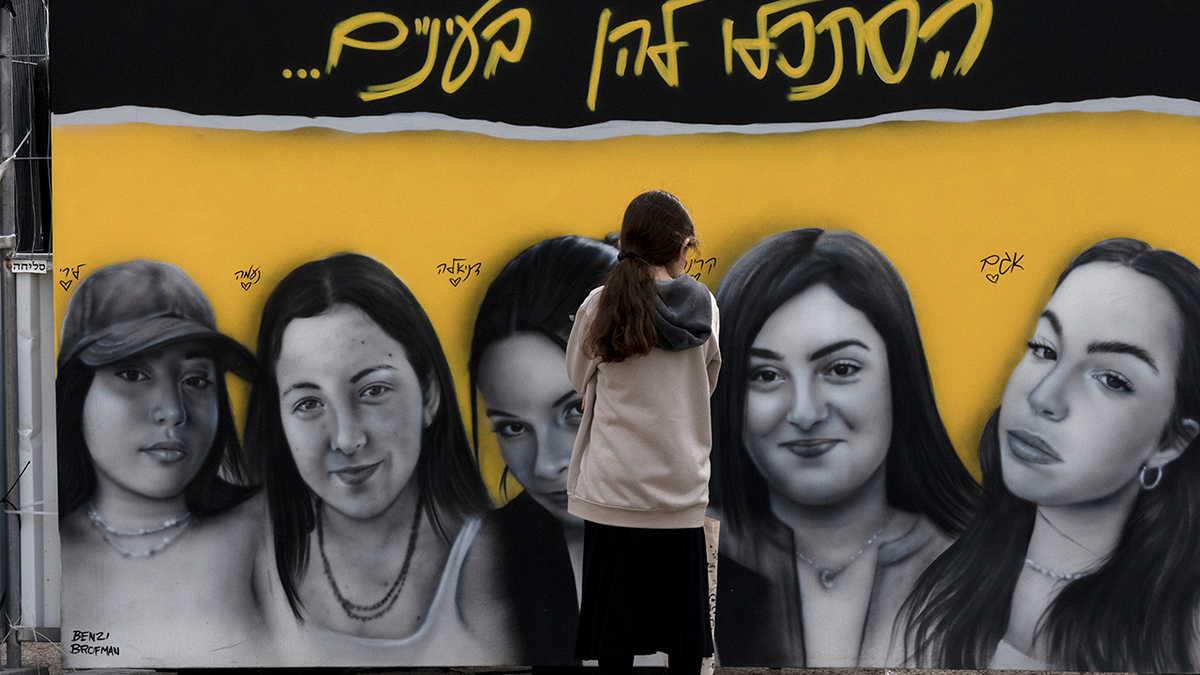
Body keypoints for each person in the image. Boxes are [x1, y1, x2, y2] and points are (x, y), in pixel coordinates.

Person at [903, 238, 1200, 672]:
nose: (1044, 397)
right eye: (1044, 350)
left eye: (1112, 380)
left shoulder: (1185, 635)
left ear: (1170, 443)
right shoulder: (929, 563)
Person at [708, 229, 980, 667]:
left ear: (900, 378)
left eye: (840, 368)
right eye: (765, 375)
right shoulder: (679, 557)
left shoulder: (984, 563)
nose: (805, 412)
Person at [243, 252, 504, 665]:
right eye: (309, 403)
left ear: (429, 395)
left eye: (373, 391)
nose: (346, 438)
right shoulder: (248, 548)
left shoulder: (503, 555)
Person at [57, 260, 272, 666]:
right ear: (76, 393)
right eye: (133, 374)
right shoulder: (34, 555)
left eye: (195, 380)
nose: (173, 412)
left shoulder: (271, 527)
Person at [565, 190, 721, 675]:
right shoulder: (704, 306)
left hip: (614, 492)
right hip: (679, 492)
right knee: (683, 637)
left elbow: (576, 375)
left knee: (616, 636)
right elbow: (708, 381)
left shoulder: (600, 304)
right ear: (679, 246)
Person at [469, 235, 618, 664]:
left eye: (575, 410)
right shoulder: (473, 567)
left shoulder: (756, 549)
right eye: (513, 427)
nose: (546, 463)